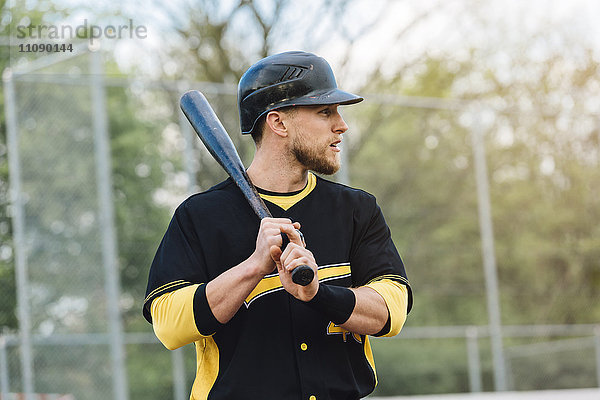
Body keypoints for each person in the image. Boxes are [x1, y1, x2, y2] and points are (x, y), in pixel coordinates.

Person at [143, 50, 413, 400]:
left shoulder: (356, 209)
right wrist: (254, 266)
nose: (341, 125)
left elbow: (390, 311)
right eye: (324, 112)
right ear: (279, 123)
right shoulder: (202, 215)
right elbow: (168, 325)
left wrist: (318, 294)